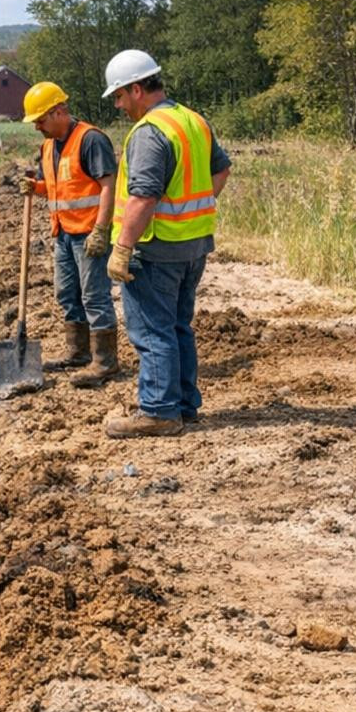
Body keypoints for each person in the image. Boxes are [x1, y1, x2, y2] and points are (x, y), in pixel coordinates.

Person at [100, 50, 232, 438]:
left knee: (152, 331)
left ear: (137, 89)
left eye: (120, 97)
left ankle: (158, 410)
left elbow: (142, 197)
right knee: (178, 326)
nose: (120, 106)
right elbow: (220, 170)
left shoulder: (149, 132)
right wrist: (197, 208)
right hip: (193, 245)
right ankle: (184, 404)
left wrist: (123, 246)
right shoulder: (193, 121)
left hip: (155, 250)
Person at [20, 80, 120, 388]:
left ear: (59, 111)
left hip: (89, 232)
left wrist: (102, 230)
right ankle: (78, 352)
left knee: (94, 295)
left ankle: (104, 362)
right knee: (67, 293)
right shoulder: (48, 146)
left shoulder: (90, 140)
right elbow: (58, 188)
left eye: (40, 120)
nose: (37, 126)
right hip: (62, 233)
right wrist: (35, 188)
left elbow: (108, 186)